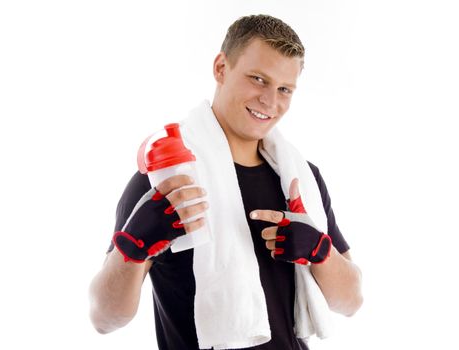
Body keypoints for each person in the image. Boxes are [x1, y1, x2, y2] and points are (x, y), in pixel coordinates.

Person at [89, 14, 363, 350]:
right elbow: (104, 318)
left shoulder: (301, 178)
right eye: (258, 79)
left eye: (284, 89)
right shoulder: (167, 179)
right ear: (221, 68)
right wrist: (132, 247)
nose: (270, 101)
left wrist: (320, 252)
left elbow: (350, 301)